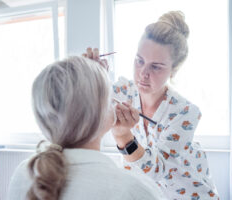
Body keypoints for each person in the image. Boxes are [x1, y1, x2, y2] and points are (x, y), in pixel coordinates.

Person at [84, 11, 219, 200]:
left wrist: (124, 137)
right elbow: (88, 106)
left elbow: (158, 170)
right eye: (139, 61)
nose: (143, 73)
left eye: (155, 66)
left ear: (174, 70)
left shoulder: (186, 112)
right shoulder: (124, 90)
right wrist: (93, 74)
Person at [7, 56, 164, 200]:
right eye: (109, 97)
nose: (115, 102)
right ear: (98, 111)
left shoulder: (23, 174)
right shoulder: (132, 190)